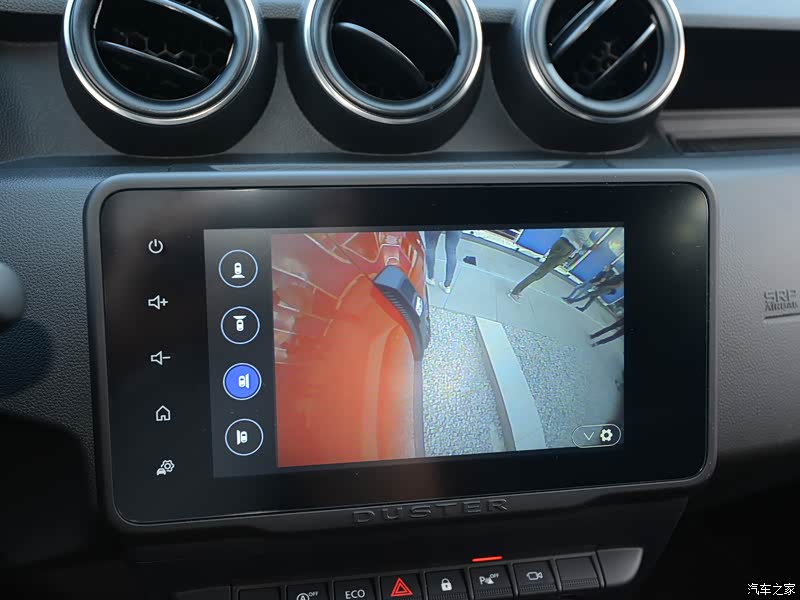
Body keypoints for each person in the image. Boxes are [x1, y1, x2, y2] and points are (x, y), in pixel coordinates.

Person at [509, 228, 599, 302]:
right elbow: (581, 232)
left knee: (541, 271)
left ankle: (518, 290)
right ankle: (515, 292)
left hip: (563, 243)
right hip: (566, 247)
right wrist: (591, 245)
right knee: (539, 273)